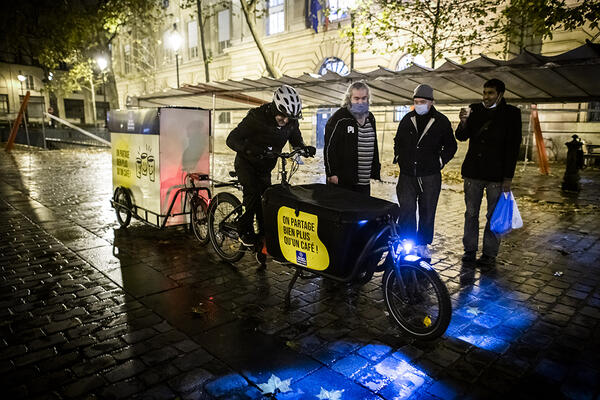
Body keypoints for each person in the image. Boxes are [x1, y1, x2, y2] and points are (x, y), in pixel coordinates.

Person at [226, 85, 314, 246]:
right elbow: (231, 139)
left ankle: (264, 238)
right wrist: (252, 149)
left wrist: (303, 148)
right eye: (282, 117)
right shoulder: (256, 117)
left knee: (266, 199)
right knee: (252, 195)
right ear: (275, 108)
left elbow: (295, 139)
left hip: (266, 166)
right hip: (246, 163)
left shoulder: (291, 122)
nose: (286, 121)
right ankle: (243, 229)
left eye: (290, 118)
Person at [455, 78, 522, 266]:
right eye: (484, 93)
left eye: (490, 93)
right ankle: (469, 250)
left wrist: (508, 177)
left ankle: (489, 254)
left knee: (493, 215)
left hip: (497, 174)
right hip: (473, 172)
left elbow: (513, 147)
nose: (486, 97)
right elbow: (461, 136)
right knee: (471, 213)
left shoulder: (512, 114)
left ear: (500, 94)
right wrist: (463, 122)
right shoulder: (474, 109)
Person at [393, 84, 457, 260]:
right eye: (415, 102)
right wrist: (399, 157)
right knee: (406, 210)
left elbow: (451, 145)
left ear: (431, 102)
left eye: (422, 102)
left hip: (430, 175)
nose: (418, 105)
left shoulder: (441, 121)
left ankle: (422, 245)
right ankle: (408, 243)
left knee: (428, 211)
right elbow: (398, 140)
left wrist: (440, 161)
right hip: (407, 175)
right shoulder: (407, 119)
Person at [324, 81, 380, 195]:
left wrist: (375, 170)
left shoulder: (371, 118)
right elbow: (329, 148)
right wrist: (331, 173)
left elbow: (374, 144)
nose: (360, 102)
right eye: (356, 98)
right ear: (349, 99)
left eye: (364, 98)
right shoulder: (339, 119)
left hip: (364, 182)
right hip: (344, 181)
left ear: (368, 98)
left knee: (363, 211)